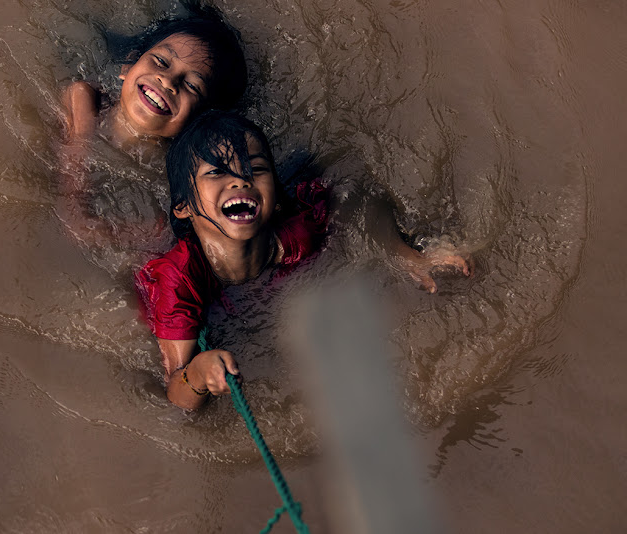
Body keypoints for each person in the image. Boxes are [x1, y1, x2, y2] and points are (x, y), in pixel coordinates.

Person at [134, 110, 473, 410]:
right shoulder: (178, 279)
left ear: (275, 196)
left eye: (256, 169)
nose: (241, 180)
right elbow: (177, 395)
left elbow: (357, 193)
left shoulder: (297, 237)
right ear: (183, 207)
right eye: (217, 173)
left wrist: (406, 254)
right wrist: (199, 372)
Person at [56, 4, 247, 246]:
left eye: (191, 86)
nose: (168, 81)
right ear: (128, 67)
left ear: (198, 120)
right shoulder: (86, 99)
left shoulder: (179, 171)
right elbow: (71, 203)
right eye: (160, 62)